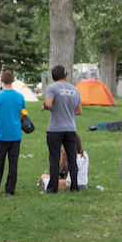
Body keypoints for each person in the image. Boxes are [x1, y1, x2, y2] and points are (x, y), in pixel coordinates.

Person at [41, 65, 82, 193]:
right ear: (65, 74)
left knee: (54, 157)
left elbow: (48, 103)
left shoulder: (52, 88)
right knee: (72, 158)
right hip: (70, 129)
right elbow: (79, 111)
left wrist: (45, 106)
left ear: (53, 76)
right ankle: (75, 186)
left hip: (55, 128)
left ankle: (52, 188)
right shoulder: (74, 90)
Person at [0, 69, 25, 196]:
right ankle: (10, 190)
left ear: (1, 80)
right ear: (13, 80)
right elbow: (22, 113)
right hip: (15, 134)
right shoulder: (20, 97)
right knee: (13, 164)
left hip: (2, 135)